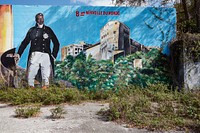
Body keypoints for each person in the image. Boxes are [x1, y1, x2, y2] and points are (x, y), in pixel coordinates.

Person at [15, 13, 60, 89]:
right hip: (35, 54)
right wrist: (19, 53)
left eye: (42, 18)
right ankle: (31, 88)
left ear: (43, 19)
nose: (40, 20)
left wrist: (53, 55)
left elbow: (56, 43)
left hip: (46, 55)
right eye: (39, 18)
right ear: (36, 20)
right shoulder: (31, 30)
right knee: (31, 72)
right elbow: (24, 43)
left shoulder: (48, 30)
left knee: (46, 74)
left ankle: (45, 90)